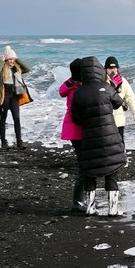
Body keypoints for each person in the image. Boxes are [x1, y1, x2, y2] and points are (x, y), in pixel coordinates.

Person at [70, 56, 126, 216]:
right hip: (110, 136)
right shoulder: (107, 88)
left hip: (89, 137)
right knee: (111, 172)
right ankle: (113, 209)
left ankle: (90, 207)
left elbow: (76, 118)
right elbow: (118, 102)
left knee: (90, 173)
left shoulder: (78, 93)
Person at [0, 45, 32, 149]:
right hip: (4, 96)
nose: (12, 61)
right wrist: (2, 61)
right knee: (3, 119)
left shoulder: (17, 68)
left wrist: (17, 59)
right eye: (10, 59)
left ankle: (19, 142)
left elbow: (28, 68)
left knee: (17, 119)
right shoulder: (0, 68)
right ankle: (4, 143)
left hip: (15, 96)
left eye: (13, 59)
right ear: (6, 59)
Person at [59, 58, 86, 212]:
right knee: (83, 165)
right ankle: (77, 202)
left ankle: (80, 199)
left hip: (72, 130)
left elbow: (61, 91)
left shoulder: (70, 85)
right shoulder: (78, 87)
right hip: (78, 129)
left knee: (83, 163)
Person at [104, 56, 135, 143]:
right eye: (110, 68)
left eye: (114, 68)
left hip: (119, 119)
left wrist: (134, 110)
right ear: (106, 69)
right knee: (107, 142)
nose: (112, 70)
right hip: (106, 119)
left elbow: (130, 96)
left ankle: (122, 156)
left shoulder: (122, 81)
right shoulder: (102, 82)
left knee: (120, 141)